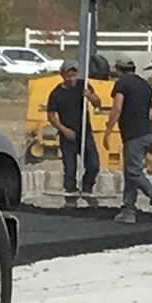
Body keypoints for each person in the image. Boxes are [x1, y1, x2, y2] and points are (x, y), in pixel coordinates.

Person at [104, 57, 152, 224]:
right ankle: (128, 210)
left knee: (134, 172)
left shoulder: (122, 84)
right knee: (131, 171)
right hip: (145, 134)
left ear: (118, 70)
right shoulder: (145, 85)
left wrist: (108, 130)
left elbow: (117, 107)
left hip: (133, 134)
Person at [44, 59, 102, 199]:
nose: (71, 79)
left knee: (93, 164)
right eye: (68, 76)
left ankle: (87, 188)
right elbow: (51, 117)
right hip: (67, 136)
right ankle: (71, 196)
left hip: (85, 132)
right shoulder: (56, 94)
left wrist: (90, 96)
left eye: (73, 75)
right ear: (62, 75)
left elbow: (97, 103)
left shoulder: (83, 85)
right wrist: (64, 130)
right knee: (70, 169)